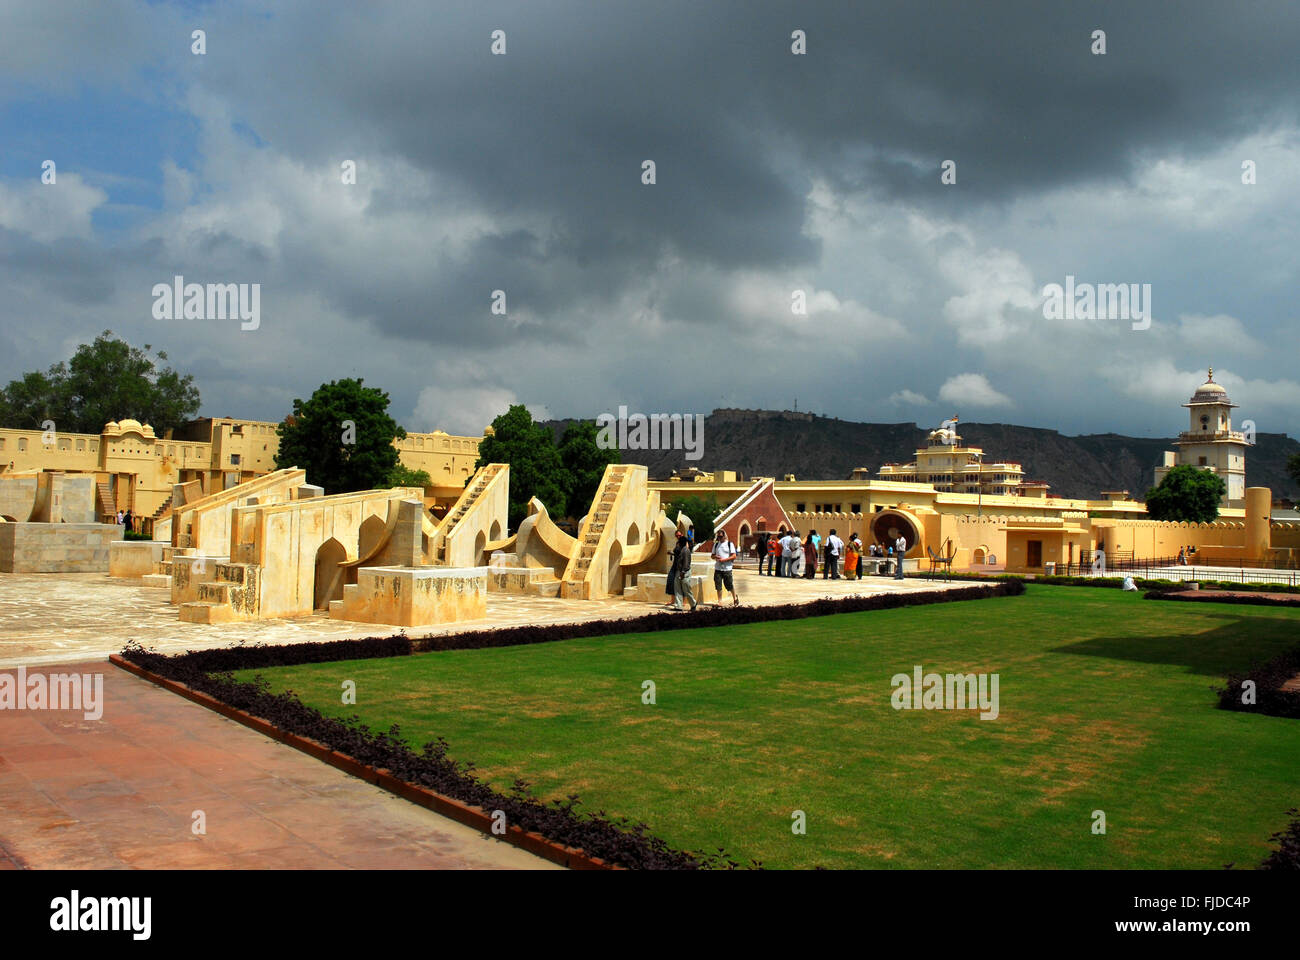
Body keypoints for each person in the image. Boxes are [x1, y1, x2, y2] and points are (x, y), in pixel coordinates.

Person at [668, 531, 697, 611]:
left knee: (686, 589)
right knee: (677, 589)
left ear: (681, 543)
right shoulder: (680, 550)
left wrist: (683, 573)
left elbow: (686, 564)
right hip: (678, 571)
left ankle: (693, 603)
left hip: (684, 572)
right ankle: (678, 606)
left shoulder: (686, 551)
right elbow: (676, 555)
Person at [711, 529, 740, 606]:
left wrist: (724, 560)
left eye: (721, 536)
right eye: (718, 536)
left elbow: (734, 556)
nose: (719, 538)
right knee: (718, 585)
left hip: (727, 568)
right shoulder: (716, 545)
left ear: (724, 536)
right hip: (718, 568)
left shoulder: (729, 544)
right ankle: (720, 601)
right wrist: (715, 556)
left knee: (729, 584)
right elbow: (712, 555)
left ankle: (735, 598)